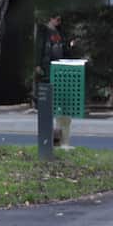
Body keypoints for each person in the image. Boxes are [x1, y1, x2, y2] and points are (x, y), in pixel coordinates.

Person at [36, 14, 75, 147]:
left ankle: (61, 140)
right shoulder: (44, 32)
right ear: (50, 18)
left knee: (62, 108)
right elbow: (39, 48)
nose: (59, 21)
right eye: (57, 19)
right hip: (48, 70)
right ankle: (51, 140)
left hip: (60, 70)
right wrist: (39, 65)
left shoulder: (60, 32)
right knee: (49, 106)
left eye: (60, 19)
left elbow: (64, 49)